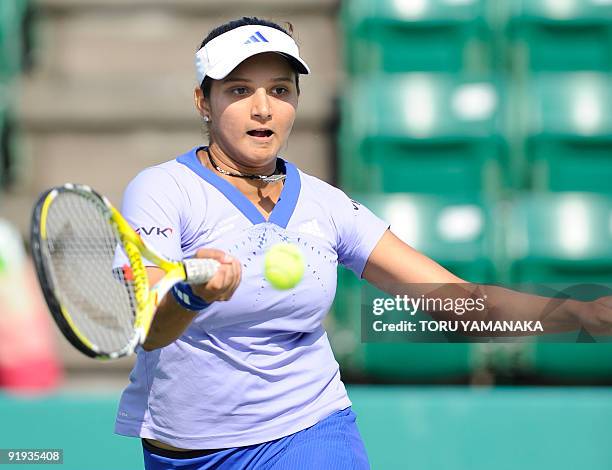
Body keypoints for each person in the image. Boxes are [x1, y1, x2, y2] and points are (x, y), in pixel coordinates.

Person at [115, 16, 612, 470]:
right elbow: (151, 329)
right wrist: (192, 293)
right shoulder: (162, 189)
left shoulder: (327, 205)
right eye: (240, 89)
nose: (263, 109)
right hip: (186, 452)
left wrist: (579, 314)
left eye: (280, 90)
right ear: (204, 101)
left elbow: (461, 304)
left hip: (309, 432)